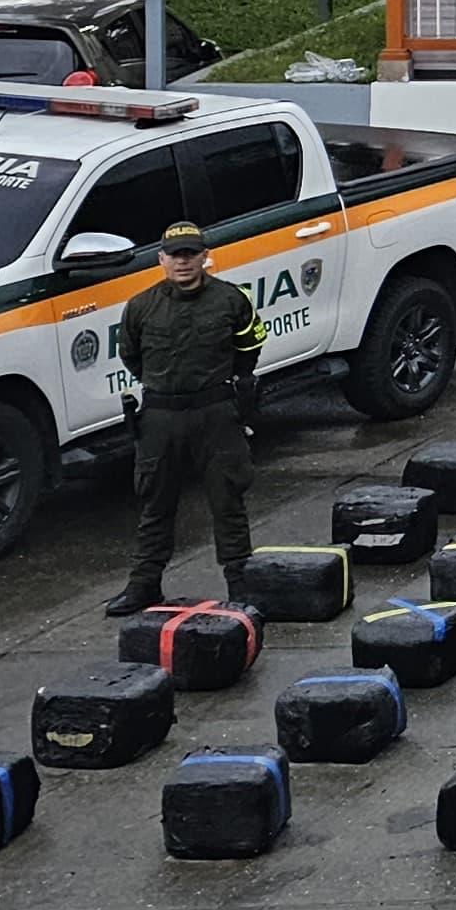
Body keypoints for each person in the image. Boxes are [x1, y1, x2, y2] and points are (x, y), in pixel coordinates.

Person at [102, 222, 269, 616]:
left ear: (204, 257)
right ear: (161, 259)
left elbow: (249, 349)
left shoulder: (232, 300)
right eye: (175, 255)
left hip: (215, 414)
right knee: (155, 505)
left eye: (190, 254)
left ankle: (241, 584)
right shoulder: (141, 306)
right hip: (161, 417)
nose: (183, 262)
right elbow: (131, 357)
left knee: (227, 500)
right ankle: (144, 585)